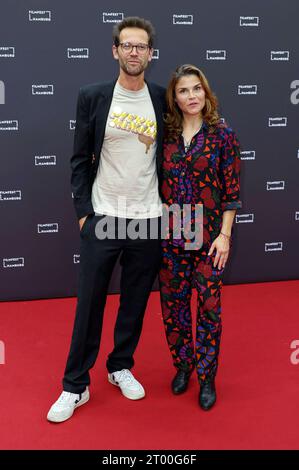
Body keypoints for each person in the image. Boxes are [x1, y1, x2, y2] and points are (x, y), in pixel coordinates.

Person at [47, 16, 166, 423]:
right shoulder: (94, 96)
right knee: (90, 305)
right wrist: (84, 215)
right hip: (104, 216)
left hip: (148, 217)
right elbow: (79, 159)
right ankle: (74, 386)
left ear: (151, 53)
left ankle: (120, 366)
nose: (135, 52)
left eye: (142, 46)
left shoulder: (162, 97)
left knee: (134, 301)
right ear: (116, 50)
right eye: (127, 45)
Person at [159, 64, 242, 410]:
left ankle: (207, 378)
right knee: (173, 307)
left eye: (196, 89)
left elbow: (232, 190)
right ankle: (184, 366)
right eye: (183, 91)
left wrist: (225, 235)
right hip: (171, 237)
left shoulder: (222, 134)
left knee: (209, 309)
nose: (191, 96)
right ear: (174, 98)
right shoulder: (166, 136)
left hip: (209, 239)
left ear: (205, 93)